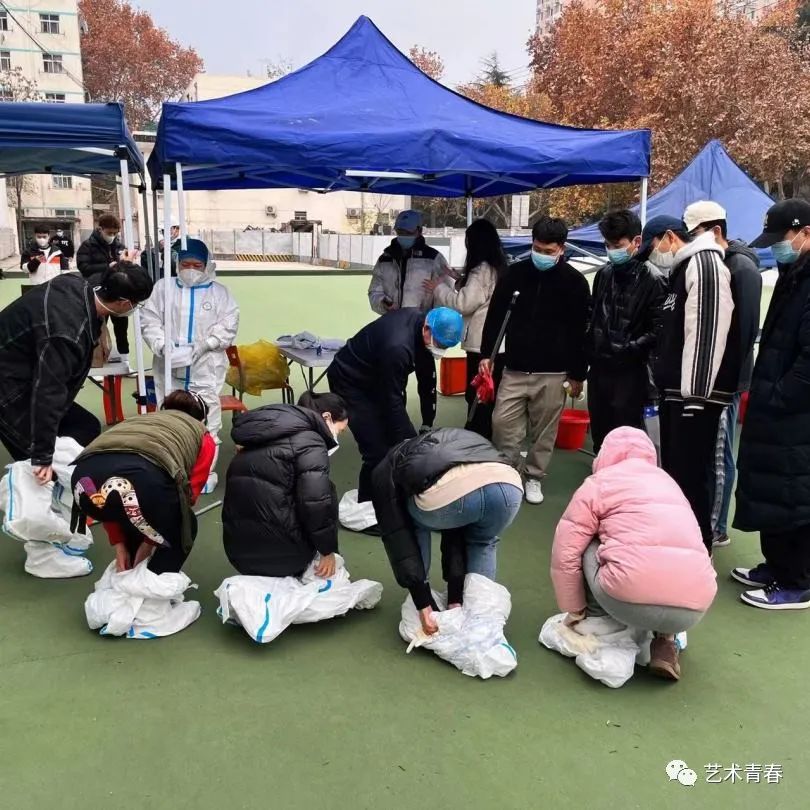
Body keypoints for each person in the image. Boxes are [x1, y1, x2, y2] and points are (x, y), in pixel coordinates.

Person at [551, 427, 717, 681]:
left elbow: (566, 551)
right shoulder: (669, 482)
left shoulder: (599, 483)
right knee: (673, 549)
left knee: (585, 541)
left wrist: (574, 608)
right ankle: (666, 640)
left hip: (627, 597)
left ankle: (597, 618)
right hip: (693, 609)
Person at [0, 263, 153, 481]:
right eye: (137, 304)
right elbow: (49, 392)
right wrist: (42, 456)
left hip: (27, 369)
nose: (135, 308)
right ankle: (37, 484)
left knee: (85, 426)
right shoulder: (67, 333)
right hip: (10, 391)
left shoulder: (75, 283)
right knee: (39, 468)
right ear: (123, 303)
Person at [480, 216, 591, 505]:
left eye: (548, 251)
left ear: (562, 249)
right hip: (515, 367)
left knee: (544, 430)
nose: (541, 255)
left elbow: (581, 331)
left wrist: (578, 374)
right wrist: (487, 356)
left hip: (554, 371)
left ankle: (534, 476)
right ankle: (509, 471)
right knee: (502, 422)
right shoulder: (513, 274)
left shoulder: (575, 283)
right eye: (537, 248)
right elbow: (495, 318)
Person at [643, 214, 737, 553]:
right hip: (675, 394)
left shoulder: (705, 264)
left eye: (655, 245)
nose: (655, 253)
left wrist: (695, 397)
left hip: (694, 398)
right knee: (675, 474)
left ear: (670, 237)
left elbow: (706, 333)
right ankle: (679, 545)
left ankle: (699, 548)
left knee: (692, 475)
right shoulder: (680, 270)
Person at [732, 198, 810, 609]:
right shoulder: (793, 274)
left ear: (806, 233)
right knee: (773, 489)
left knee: (794, 493)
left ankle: (797, 581)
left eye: (783, 237)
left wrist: (780, 396)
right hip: (775, 404)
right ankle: (776, 565)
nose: (778, 246)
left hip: (795, 411)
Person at [371, 427, 523, 635]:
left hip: (454, 493)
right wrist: (454, 599)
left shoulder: (383, 472)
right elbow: (455, 529)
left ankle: (429, 607)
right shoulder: (449, 438)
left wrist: (423, 604)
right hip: (509, 485)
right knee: (483, 541)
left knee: (410, 523)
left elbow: (399, 538)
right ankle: (481, 625)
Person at [682, 201, 762, 549]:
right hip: (710, 378)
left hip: (724, 383)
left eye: (696, 234)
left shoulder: (740, 267)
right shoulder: (717, 263)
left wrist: (724, 383)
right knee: (707, 454)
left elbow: (743, 333)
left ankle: (716, 528)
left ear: (715, 231)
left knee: (719, 457)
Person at [327, 307, 463, 504]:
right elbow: (392, 401)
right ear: (427, 328)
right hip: (350, 381)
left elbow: (427, 381)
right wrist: (411, 443)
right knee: (376, 449)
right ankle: (368, 506)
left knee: (394, 437)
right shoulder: (397, 347)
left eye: (447, 346)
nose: (442, 349)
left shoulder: (424, 332)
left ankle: (391, 497)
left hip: (377, 376)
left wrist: (427, 423)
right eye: (440, 344)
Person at [71, 390, 215, 574]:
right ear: (202, 419)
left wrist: (119, 545)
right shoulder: (202, 435)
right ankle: (153, 582)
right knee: (183, 523)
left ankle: (128, 573)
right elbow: (187, 497)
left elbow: (110, 495)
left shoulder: (139, 420)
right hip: (143, 483)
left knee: (129, 506)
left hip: (82, 482)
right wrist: (148, 545)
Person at [140, 237, 239, 492]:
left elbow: (229, 325)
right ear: (177, 264)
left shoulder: (220, 293)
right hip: (168, 367)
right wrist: (161, 344)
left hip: (205, 367)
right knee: (169, 417)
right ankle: (171, 471)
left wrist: (207, 344)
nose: (191, 270)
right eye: (186, 264)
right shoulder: (163, 288)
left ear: (207, 265)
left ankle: (203, 474)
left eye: (197, 265)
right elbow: (149, 320)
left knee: (208, 420)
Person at [222, 392, 349, 578]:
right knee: (324, 491)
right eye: (340, 430)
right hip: (287, 556)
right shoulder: (312, 442)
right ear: (327, 417)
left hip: (238, 552)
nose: (338, 436)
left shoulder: (257, 433)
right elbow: (315, 502)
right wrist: (327, 551)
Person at [587, 210, 666, 454]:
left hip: (631, 374)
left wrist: (628, 349)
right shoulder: (604, 274)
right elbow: (593, 316)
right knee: (600, 435)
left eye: (617, 245)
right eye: (608, 245)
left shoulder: (654, 279)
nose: (612, 251)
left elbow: (658, 330)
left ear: (636, 241)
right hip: (599, 369)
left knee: (626, 437)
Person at [426, 218, 508, 439]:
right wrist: (459, 280)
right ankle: (484, 434)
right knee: (491, 393)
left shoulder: (481, 270)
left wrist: (438, 289)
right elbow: (479, 293)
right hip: (498, 343)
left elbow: (464, 303)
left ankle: (478, 437)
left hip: (481, 344)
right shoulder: (498, 267)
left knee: (478, 394)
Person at [368, 210, 450, 314]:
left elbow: (446, 295)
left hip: (423, 322)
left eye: (408, 232)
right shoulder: (385, 259)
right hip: (393, 320)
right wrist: (384, 303)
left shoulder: (433, 259)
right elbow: (374, 292)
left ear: (420, 230)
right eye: (400, 232)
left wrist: (432, 319)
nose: (404, 235)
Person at [77, 214, 129, 361]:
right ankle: (96, 358)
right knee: (97, 327)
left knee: (122, 327)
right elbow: (84, 267)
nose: (112, 236)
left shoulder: (119, 246)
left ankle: (124, 356)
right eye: (109, 233)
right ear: (100, 229)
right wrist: (107, 267)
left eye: (115, 233)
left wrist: (126, 262)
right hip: (97, 293)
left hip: (118, 292)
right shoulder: (87, 246)